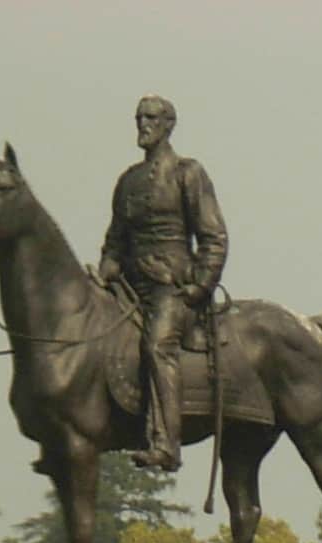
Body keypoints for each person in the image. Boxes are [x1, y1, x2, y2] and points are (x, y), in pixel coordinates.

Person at [93, 95, 227, 474]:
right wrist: (105, 269)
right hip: (129, 285)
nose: (143, 124)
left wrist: (200, 285)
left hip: (172, 285)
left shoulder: (188, 172)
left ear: (169, 124)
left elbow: (214, 237)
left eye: (151, 117)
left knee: (157, 345)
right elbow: (115, 241)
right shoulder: (127, 181)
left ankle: (166, 444)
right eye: (139, 117)